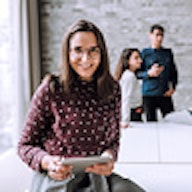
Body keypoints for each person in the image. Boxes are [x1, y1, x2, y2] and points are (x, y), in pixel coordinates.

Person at [17, 20, 145, 192]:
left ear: (102, 54)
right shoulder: (51, 89)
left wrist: (109, 157)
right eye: (78, 50)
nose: (86, 59)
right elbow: (25, 145)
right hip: (57, 177)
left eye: (93, 51)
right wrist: (47, 162)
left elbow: (113, 140)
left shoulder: (113, 89)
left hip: (96, 176)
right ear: (68, 53)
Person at [137, 24, 178, 121]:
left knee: (172, 120)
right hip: (148, 95)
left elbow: (173, 72)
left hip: (164, 93)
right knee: (151, 122)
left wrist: (173, 87)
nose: (159, 38)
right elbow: (137, 74)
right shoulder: (144, 53)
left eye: (161, 35)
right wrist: (148, 73)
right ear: (150, 35)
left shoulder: (167, 53)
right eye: (157, 35)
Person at [114, 48, 143, 128]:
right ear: (128, 60)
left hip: (135, 112)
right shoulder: (129, 76)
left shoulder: (131, 75)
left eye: (140, 57)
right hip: (132, 115)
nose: (140, 60)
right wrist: (125, 120)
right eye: (136, 58)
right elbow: (125, 98)